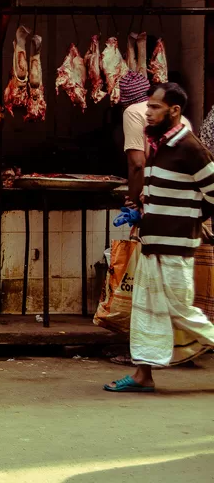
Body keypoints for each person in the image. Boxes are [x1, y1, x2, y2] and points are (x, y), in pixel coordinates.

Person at [105, 83, 214, 393]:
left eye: (155, 108)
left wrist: (189, 216)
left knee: (180, 310)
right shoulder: (161, 145)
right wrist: (142, 212)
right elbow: (162, 194)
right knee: (146, 309)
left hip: (174, 246)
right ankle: (143, 376)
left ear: (174, 111)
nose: (148, 113)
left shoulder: (190, 148)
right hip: (153, 242)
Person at [121, 71, 193, 208]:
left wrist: (134, 201)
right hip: (166, 205)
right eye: (149, 107)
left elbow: (137, 164)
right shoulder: (181, 124)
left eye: (154, 107)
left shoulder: (133, 112)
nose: (148, 112)